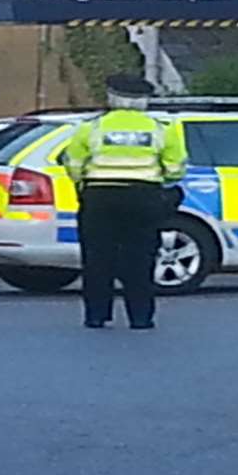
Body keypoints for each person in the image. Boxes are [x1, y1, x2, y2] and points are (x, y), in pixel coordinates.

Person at [63, 74, 186, 330]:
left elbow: (73, 164)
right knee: (140, 258)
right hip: (143, 196)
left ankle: (96, 316)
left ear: (112, 97)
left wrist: (84, 181)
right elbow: (175, 168)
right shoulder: (162, 128)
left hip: (100, 196)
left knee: (97, 258)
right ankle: (140, 317)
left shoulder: (92, 127)